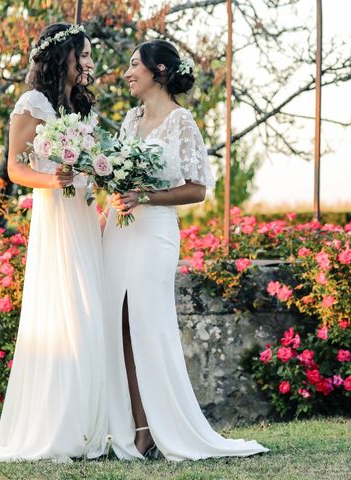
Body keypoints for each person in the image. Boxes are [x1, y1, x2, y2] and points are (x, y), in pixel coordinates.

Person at [102, 39, 268, 461]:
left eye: (134, 65)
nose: (126, 72)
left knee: (147, 327)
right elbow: (117, 181)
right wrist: (107, 213)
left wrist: (147, 197)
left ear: (159, 72)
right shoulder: (130, 118)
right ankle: (139, 428)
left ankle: (164, 425)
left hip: (155, 233)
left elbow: (197, 189)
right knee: (119, 326)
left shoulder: (181, 122)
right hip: (120, 232)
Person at [0, 23, 108, 463]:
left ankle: (94, 426)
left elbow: (93, 165)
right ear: (63, 56)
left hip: (83, 214)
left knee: (91, 311)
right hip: (55, 217)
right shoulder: (31, 103)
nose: (91, 62)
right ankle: (59, 426)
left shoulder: (83, 106)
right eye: (85, 54)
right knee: (65, 313)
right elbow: (16, 169)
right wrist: (52, 180)